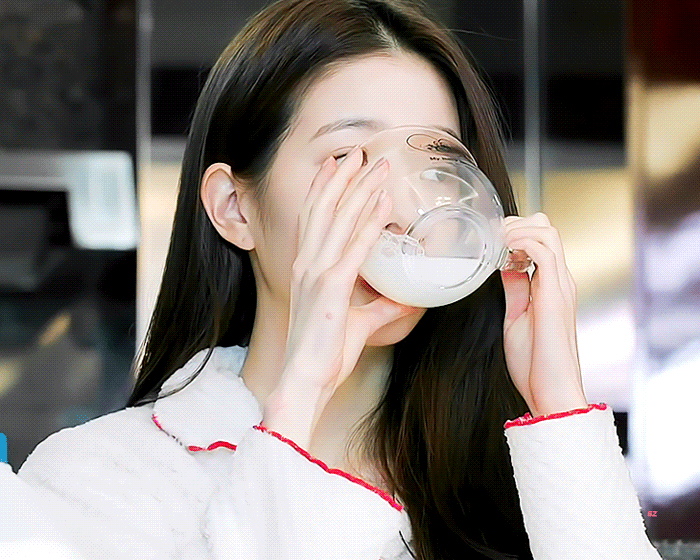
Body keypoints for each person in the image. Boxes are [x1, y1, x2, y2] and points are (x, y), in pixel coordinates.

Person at [0, 0, 663, 559]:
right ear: (235, 209)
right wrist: (303, 392)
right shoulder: (109, 474)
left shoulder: (508, 478)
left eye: (435, 162)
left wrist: (557, 407)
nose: (402, 208)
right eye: (349, 159)